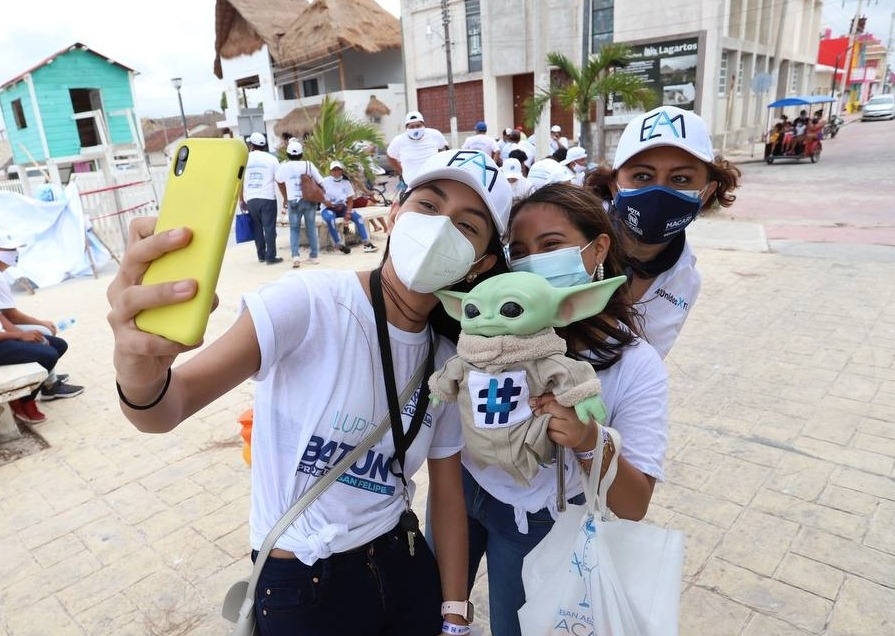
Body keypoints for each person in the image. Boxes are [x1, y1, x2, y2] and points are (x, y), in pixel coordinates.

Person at [107, 148, 513, 636]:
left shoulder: (446, 359)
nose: (441, 228)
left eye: (467, 226)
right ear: (394, 214)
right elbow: (163, 410)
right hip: (303, 582)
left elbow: (448, 495)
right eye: (428, 205)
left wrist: (454, 612)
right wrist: (138, 370)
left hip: (402, 564)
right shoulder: (305, 304)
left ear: (481, 263)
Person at [464, 182, 668, 636]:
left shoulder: (636, 366)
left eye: (550, 245)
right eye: (520, 251)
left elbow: (635, 505)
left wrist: (587, 440)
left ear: (597, 250)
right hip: (466, 491)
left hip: (538, 521)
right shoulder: (489, 332)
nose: (533, 261)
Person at [585, 105, 741, 358]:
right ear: (614, 186)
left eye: (680, 179)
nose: (659, 192)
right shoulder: (569, 243)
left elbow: (646, 366)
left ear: (707, 192)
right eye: (642, 176)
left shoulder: (686, 281)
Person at [0, 244, 83, 424]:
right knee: (48, 354)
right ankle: (24, 401)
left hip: (5, 339)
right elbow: (10, 319)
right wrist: (20, 336)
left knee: (56, 344)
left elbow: (4, 321)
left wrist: (28, 334)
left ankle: (40, 389)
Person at [275, 140, 324, 268]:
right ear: (301, 154)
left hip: (293, 202)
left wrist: (286, 196)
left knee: (294, 229)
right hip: (308, 201)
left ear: (288, 154)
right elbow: (320, 180)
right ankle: (313, 256)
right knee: (311, 228)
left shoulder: (284, 166)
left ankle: (295, 255)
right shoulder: (308, 165)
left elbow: (279, 180)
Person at [240, 132, 282, 265]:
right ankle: (271, 257)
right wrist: (285, 198)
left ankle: (261, 255)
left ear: (251, 145)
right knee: (269, 228)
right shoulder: (272, 159)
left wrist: (242, 200)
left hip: (251, 199)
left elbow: (239, 181)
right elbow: (280, 179)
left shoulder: (244, 159)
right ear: (264, 145)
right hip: (268, 198)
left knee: (257, 228)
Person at [320, 160, 378, 254]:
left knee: (358, 218)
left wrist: (348, 211)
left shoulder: (346, 183)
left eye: (338, 170)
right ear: (331, 171)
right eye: (334, 170)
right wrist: (324, 202)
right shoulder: (324, 181)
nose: (336, 172)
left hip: (342, 207)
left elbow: (350, 199)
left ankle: (366, 244)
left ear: (341, 171)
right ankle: (338, 244)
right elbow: (318, 194)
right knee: (330, 219)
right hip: (328, 208)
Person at [387, 111, 449, 188]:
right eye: (412, 127)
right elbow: (390, 156)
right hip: (412, 185)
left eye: (418, 125)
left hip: (433, 182)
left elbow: (444, 148)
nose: (415, 129)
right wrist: (401, 172)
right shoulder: (398, 141)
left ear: (423, 125)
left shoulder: (434, 134)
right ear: (406, 128)